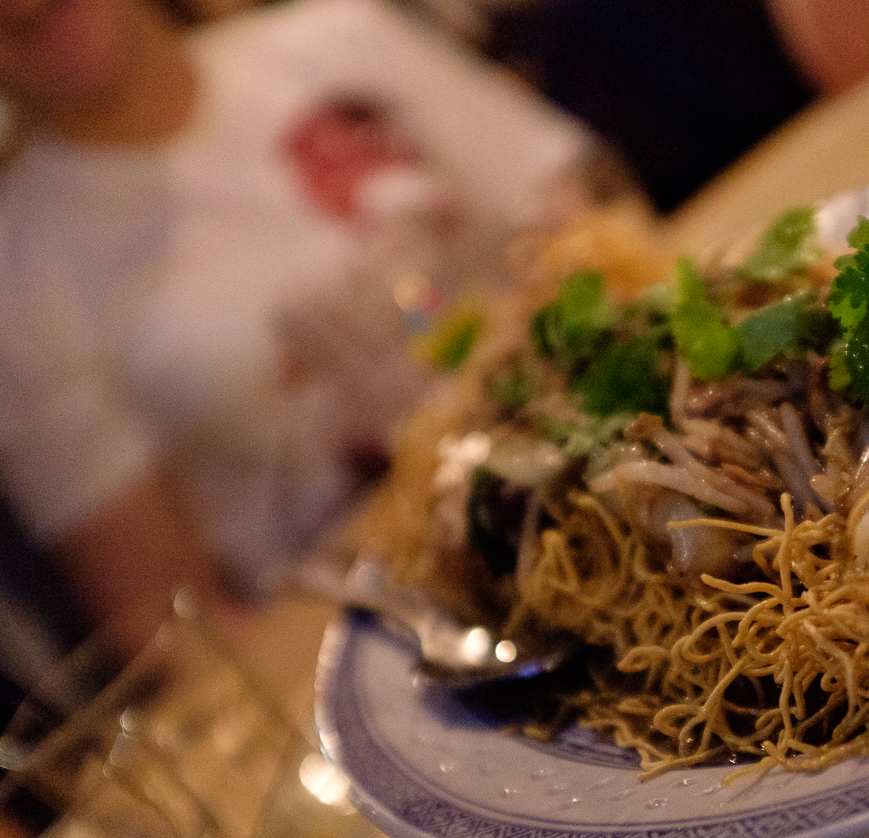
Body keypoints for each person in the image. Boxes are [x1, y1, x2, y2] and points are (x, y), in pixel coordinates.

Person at [0, 0, 608, 656]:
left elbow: (599, 242)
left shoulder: (336, 38)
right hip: (400, 631)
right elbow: (171, 625)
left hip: (595, 457)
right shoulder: (19, 279)